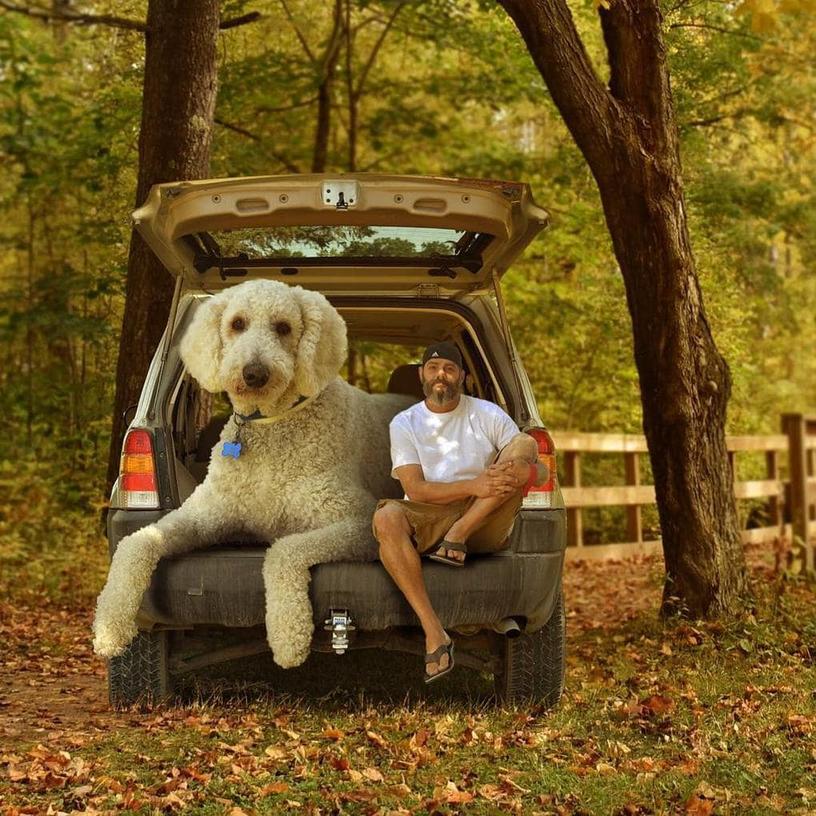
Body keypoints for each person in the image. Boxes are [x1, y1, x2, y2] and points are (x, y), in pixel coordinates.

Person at [371, 342, 549, 683]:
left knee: (525, 444)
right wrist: (475, 485)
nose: (442, 374)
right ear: (422, 374)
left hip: (483, 518)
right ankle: (434, 632)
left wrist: (525, 472)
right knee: (385, 517)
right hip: (429, 516)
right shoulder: (404, 423)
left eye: (450, 369)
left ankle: (459, 534)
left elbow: (536, 468)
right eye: (434, 367)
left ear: (462, 377)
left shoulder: (489, 414)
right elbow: (417, 489)